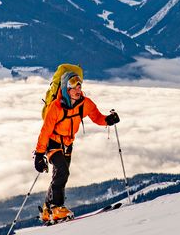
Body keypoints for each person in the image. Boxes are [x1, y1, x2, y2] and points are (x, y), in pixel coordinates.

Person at [33, 71, 120, 223]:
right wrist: (39, 155)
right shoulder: (56, 107)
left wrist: (108, 120)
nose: (78, 90)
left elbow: (97, 117)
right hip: (53, 143)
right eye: (74, 87)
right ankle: (56, 207)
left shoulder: (85, 104)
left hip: (67, 144)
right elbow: (45, 131)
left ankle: (48, 209)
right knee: (62, 171)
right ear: (67, 90)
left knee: (61, 175)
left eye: (79, 86)